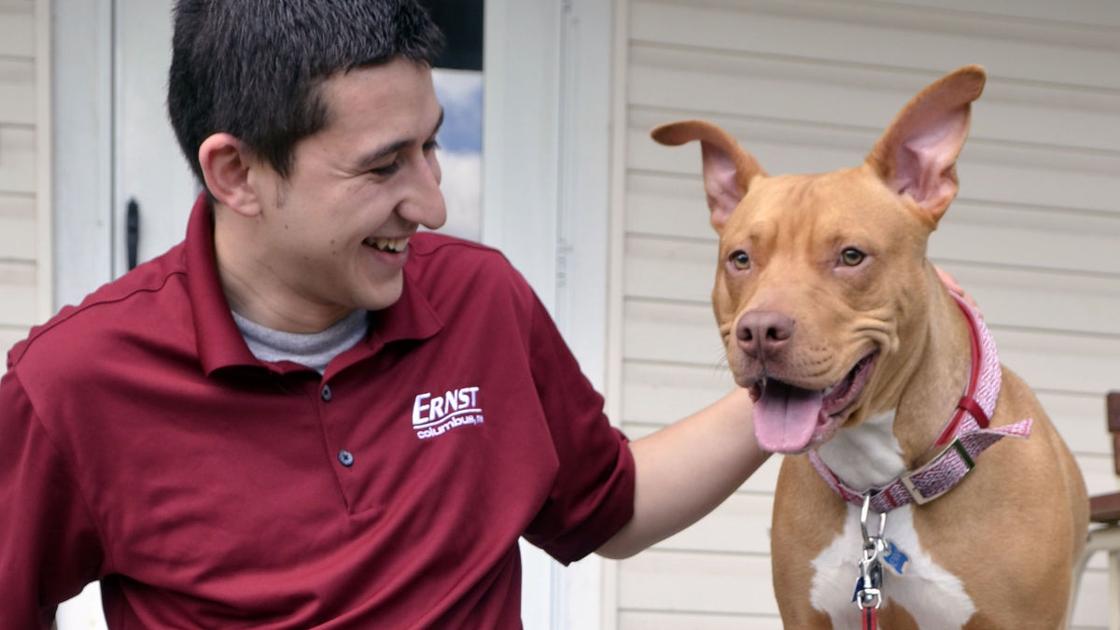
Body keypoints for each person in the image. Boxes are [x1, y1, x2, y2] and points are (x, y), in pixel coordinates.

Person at [0, 1, 766, 627]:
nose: (431, 204)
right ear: (236, 173)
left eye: (432, 146)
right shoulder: (71, 385)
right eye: (382, 165)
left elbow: (611, 506)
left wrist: (797, 392)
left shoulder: (481, 301)